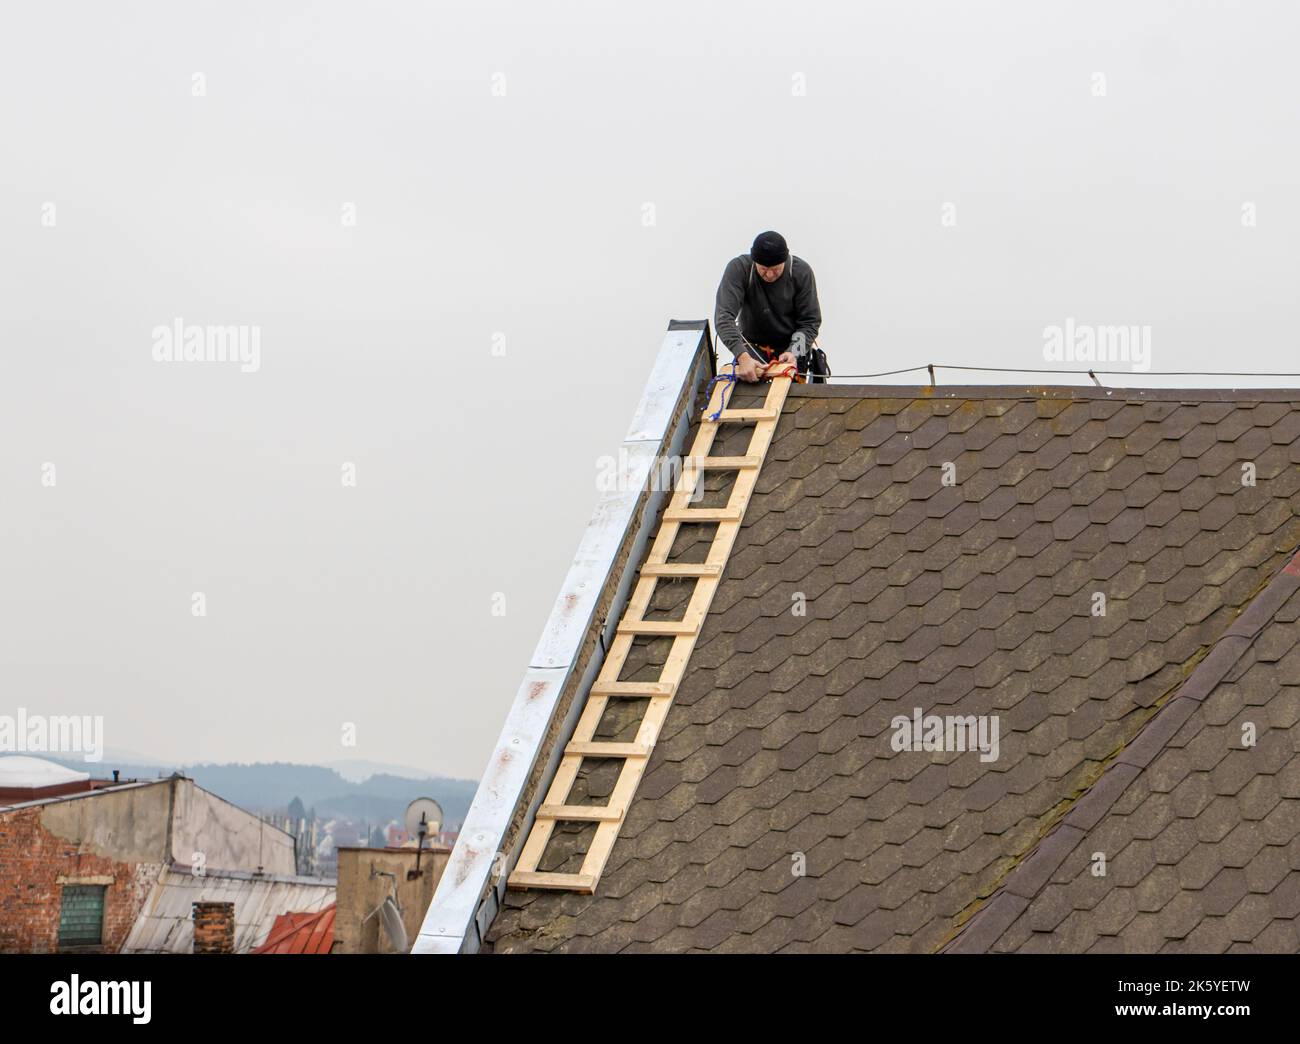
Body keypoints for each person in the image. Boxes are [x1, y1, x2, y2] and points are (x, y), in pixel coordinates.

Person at [713, 231, 824, 382]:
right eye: (764, 269)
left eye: (776, 269)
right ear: (754, 261)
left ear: (784, 261)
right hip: (752, 348)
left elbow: (810, 322)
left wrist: (794, 352)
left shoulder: (801, 272)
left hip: (792, 349)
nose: (770, 275)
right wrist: (742, 356)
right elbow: (724, 317)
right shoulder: (739, 269)